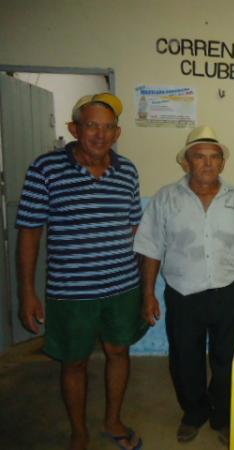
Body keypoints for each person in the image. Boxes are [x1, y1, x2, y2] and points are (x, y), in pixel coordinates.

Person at [16, 93, 146, 450]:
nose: (100, 135)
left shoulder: (128, 171)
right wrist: (26, 292)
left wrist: (144, 288)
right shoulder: (45, 169)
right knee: (73, 362)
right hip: (70, 293)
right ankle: (78, 432)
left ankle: (112, 420)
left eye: (107, 128)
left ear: (117, 133)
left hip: (122, 287)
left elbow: (136, 231)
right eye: (91, 126)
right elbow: (29, 233)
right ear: (75, 128)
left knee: (119, 353)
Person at [133, 125, 234, 445]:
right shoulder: (166, 198)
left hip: (227, 290)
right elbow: (151, 249)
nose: (208, 164)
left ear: (222, 163)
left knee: (227, 358)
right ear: (186, 162)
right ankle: (194, 413)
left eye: (214, 158)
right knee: (185, 358)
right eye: (200, 157)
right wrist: (148, 294)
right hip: (182, 293)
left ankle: (222, 416)